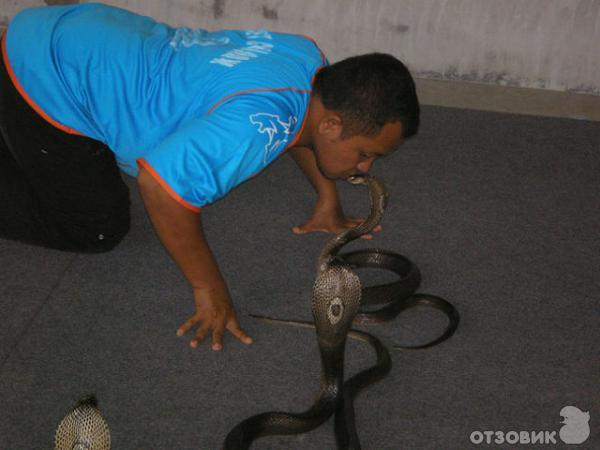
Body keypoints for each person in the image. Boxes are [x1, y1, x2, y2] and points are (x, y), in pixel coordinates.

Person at [0, 3, 419, 352]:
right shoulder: (253, 129)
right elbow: (160, 188)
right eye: (365, 155)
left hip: (81, 29)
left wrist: (327, 197)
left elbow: (306, 134)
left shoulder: (309, 63)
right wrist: (209, 288)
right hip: (46, 73)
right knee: (98, 228)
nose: (365, 168)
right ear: (333, 124)